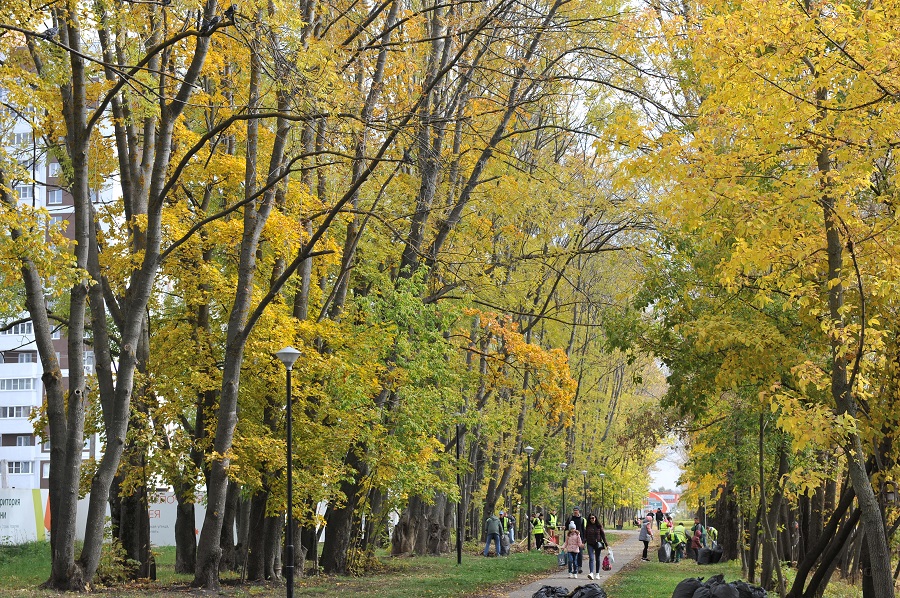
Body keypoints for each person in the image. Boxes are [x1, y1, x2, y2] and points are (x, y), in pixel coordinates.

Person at [584, 514, 608, 579]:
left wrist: (606, 544)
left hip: (598, 544)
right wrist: (583, 543)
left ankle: (597, 573)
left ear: (595, 518)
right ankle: (591, 573)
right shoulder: (588, 526)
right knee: (591, 558)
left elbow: (603, 535)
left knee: (597, 558)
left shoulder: (599, 526)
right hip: (590, 544)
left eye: (593, 518)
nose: (592, 519)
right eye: (590, 518)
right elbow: (585, 536)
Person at [566, 506, 586, 573]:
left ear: (578, 511)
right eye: (574, 510)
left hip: (579, 538)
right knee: (572, 553)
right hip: (572, 538)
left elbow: (583, 530)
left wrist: (584, 540)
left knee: (580, 553)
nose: (575, 511)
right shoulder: (570, 518)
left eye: (576, 510)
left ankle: (579, 567)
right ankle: (574, 567)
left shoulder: (582, 519)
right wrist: (564, 528)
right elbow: (566, 527)